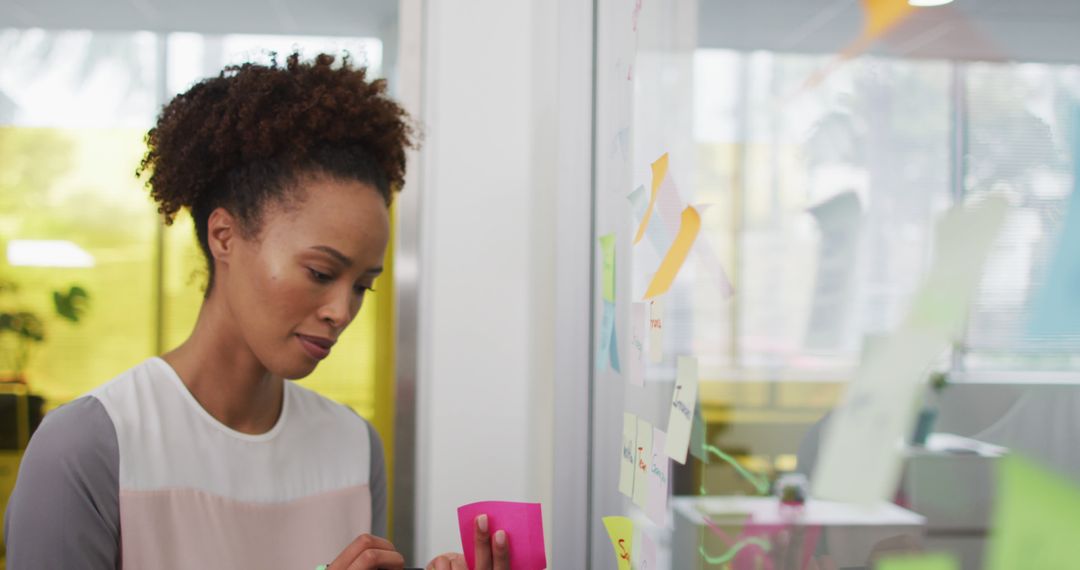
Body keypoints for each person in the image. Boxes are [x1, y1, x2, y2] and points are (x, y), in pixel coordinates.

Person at [3, 52, 509, 570]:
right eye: (319, 272)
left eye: (363, 286)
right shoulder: (90, 448)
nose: (342, 311)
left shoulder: (352, 448)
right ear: (224, 236)